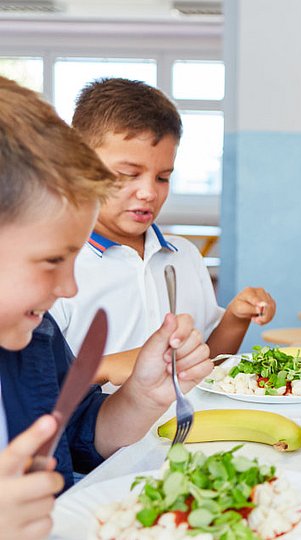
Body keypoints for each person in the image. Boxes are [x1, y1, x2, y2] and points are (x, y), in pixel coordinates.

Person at [0, 76, 211, 539]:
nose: (70, 287)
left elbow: (80, 436)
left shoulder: (36, 336)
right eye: (51, 260)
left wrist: (142, 396)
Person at [50, 78, 276, 386]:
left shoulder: (184, 256)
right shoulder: (55, 267)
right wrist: (106, 367)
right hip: (101, 420)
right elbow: (32, 386)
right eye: (127, 174)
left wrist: (235, 318)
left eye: (162, 178)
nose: (148, 193)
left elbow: (204, 364)